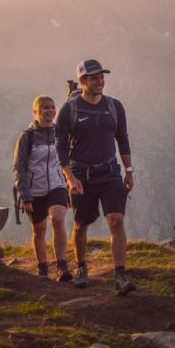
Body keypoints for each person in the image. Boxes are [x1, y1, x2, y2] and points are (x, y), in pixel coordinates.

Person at [55, 59, 135, 294]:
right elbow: (60, 147)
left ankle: (120, 276)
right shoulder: (70, 110)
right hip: (81, 175)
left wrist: (129, 170)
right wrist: (69, 177)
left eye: (101, 77)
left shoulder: (114, 106)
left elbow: (123, 139)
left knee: (116, 220)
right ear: (82, 81)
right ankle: (81, 267)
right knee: (81, 224)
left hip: (110, 172)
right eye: (94, 78)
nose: (100, 82)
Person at [13, 95, 72, 281]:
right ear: (36, 112)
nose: (50, 111)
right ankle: (43, 267)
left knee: (58, 219)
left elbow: (67, 161)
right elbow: (19, 168)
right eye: (45, 108)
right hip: (34, 190)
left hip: (57, 185)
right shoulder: (27, 137)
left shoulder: (60, 133)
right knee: (39, 231)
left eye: (52, 107)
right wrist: (25, 196)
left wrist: (69, 187)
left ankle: (62, 266)